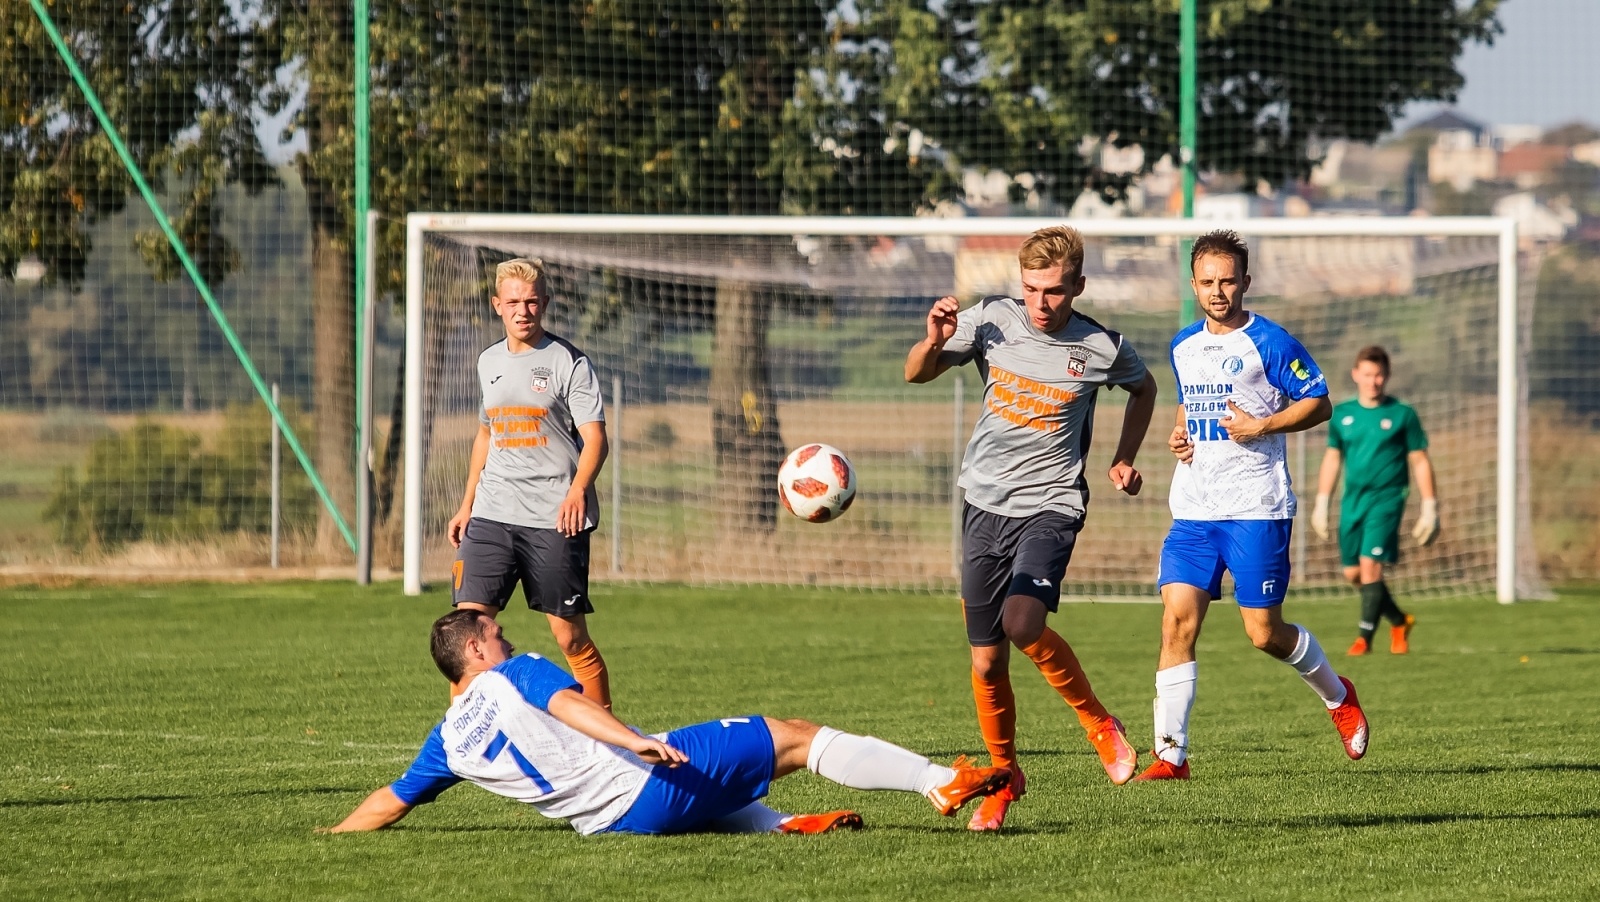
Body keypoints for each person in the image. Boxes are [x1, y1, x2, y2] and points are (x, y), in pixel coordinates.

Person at [322, 610, 1013, 836]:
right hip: (640, 783)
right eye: (496, 635)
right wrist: (634, 741)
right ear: (474, 651)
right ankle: (941, 781)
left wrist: (333, 833)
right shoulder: (511, 674)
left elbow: (392, 800)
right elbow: (567, 703)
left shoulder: (445, 743)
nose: (505, 640)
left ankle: (781, 827)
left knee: (715, 777)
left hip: (614, 826)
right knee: (793, 735)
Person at [904, 225, 1160, 830]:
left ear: (1077, 286)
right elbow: (917, 373)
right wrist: (934, 340)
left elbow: (1144, 389)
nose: (1041, 303)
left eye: (1053, 291)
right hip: (982, 505)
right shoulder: (991, 318)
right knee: (987, 663)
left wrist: (1123, 458)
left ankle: (1099, 721)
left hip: (1052, 503)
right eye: (1031, 289)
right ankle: (1003, 779)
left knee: (1023, 623)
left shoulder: (1101, 345)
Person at [1135, 230, 1368, 782]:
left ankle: (1339, 696)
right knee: (1176, 623)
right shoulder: (1183, 345)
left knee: (1263, 633)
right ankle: (1171, 756)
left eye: (1228, 281)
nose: (1218, 292)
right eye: (1208, 282)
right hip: (1194, 507)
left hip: (1256, 507)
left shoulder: (1271, 342)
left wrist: (1263, 424)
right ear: (1193, 284)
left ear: (1246, 282)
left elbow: (1321, 403)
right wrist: (1179, 435)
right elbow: (1190, 407)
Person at [446, 257, 614, 709]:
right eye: (514, 302)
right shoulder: (488, 361)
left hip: (553, 517)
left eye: (532, 301)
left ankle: (608, 741)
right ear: (497, 305)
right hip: (492, 514)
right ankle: (466, 742)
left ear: (544, 304)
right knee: (467, 632)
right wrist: (467, 504)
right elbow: (487, 433)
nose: (524, 310)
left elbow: (596, 438)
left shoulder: (569, 362)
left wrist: (578, 490)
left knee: (569, 636)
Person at [1310, 346, 1438, 655]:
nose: (1373, 381)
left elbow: (1419, 460)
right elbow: (1332, 457)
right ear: (1356, 375)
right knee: (1353, 573)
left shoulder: (1402, 415)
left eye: (1379, 375)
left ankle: (1364, 640)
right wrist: (1322, 502)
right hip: (1353, 501)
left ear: (1388, 376)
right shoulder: (1342, 414)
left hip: (1388, 499)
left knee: (1370, 568)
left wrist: (1430, 506)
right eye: (1367, 374)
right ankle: (1398, 619)